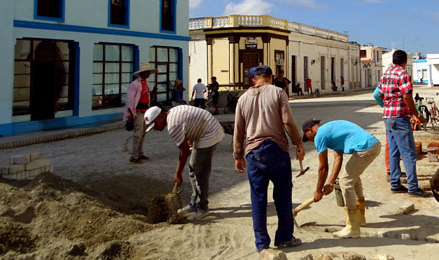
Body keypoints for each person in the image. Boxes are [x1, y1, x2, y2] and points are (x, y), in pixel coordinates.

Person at [233, 65, 305, 253]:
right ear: (271, 77)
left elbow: (238, 130)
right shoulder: (278, 92)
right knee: (283, 194)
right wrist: (298, 142)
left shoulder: (242, 99)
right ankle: (284, 237)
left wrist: (238, 155)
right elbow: (287, 121)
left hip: (253, 152)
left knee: (258, 198)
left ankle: (262, 244)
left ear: (253, 79)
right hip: (276, 149)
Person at [302, 119, 381, 238]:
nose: (310, 140)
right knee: (353, 177)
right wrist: (330, 183)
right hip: (373, 144)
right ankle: (360, 218)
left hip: (365, 148)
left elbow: (323, 167)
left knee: (345, 181)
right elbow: (338, 159)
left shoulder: (320, 135)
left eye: (307, 137)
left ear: (309, 129)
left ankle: (352, 227)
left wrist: (318, 190)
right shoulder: (330, 129)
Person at [144, 103, 225, 220]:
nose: (155, 129)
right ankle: (194, 203)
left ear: (160, 116)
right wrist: (190, 138)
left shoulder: (172, 125)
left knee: (199, 172)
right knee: (193, 169)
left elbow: (184, 152)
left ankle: (202, 208)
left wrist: (178, 174)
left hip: (209, 134)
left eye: (155, 124)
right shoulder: (171, 114)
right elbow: (189, 124)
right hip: (204, 130)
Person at [378, 50, 428, 196]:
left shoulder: (386, 73)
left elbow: (380, 94)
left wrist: (389, 103)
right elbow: (407, 96)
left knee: (393, 151)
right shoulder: (402, 74)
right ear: (405, 62)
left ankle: (395, 183)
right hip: (399, 117)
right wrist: (416, 114)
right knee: (409, 153)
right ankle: (413, 187)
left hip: (387, 116)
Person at [123, 62, 157, 164]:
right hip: (138, 112)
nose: (149, 74)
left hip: (145, 111)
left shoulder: (145, 84)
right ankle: (133, 156)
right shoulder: (134, 84)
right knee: (138, 134)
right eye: (147, 72)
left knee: (143, 134)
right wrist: (131, 115)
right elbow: (130, 100)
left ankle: (140, 153)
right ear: (143, 73)